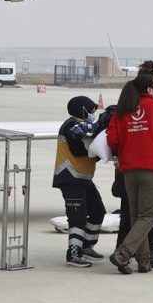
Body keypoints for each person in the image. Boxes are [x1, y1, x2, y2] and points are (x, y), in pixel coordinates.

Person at [106, 74, 153, 274]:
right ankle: (123, 253)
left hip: (128, 170)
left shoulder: (122, 110)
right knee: (149, 215)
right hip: (151, 168)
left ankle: (143, 260)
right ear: (150, 90)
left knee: (136, 216)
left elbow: (112, 139)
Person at [52, 96, 106, 267]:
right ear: (82, 110)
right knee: (77, 217)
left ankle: (86, 246)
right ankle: (73, 253)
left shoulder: (81, 125)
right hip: (70, 178)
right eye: (91, 111)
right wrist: (104, 124)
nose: (93, 114)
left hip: (83, 179)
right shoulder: (71, 125)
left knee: (98, 211)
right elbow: (81, 150)